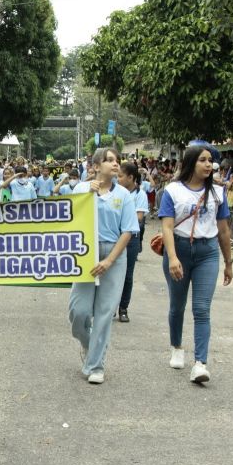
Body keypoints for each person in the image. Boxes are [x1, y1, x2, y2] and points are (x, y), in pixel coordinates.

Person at [159, 145, 233, 384]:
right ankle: (177, 347)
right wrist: (172, 258)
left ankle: (200, 363)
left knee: (201, 308)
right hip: (179, 249)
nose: (208, 165)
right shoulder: (172, 191)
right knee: (177, 305)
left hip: (207, 253)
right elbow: (167, 227)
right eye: (203, 160)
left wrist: (228, 262)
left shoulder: (218, 194)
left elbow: (223, 230)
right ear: (191, 163)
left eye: (210, 161)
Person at [69, 148, 137, 384]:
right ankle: (88, 345)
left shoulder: (124, 196)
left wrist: (109, 261)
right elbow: (68, 214)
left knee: (105, 313)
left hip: (114, 255)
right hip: (86, 253)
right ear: (96, 166)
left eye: (117, 160)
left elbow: (128, 230)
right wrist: (88, 192)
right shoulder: (80, 189)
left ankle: (96, 364)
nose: (115, 164)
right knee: (79, 312)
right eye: (109, 160)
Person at [116, 162, 149, 323]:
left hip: (131, 239)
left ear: (131, 177)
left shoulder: (139, 194)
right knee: (111, 275)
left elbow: (139, 218)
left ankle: (123, 308)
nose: (118, 179)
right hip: (114, 237)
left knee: (127, 276)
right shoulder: (114, 192)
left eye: (120, 176)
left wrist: (120, 220)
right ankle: (109, 307)